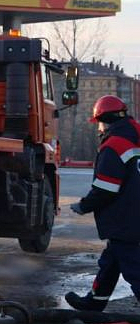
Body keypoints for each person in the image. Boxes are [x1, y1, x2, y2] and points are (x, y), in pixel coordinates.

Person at [65, 95, 140, 311]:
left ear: (105, 120)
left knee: (134, 268)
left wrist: (84, 205)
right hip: (133, 216)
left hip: (124, 218)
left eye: (99, 123)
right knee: (111, 261)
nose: (99, 128)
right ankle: (94, 303)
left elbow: (106, 188)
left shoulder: (113, 146)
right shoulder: (135, 139)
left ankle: (93, 303)